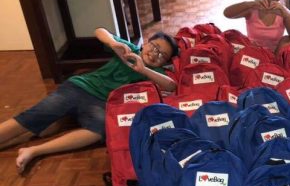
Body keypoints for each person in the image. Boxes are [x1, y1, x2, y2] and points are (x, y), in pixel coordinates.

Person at [0, 27, 178, 173]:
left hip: (101, 104)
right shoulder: (128, 48)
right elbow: (100, 31)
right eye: (154, 47)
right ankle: (56, 122)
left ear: (165, 63)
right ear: (146, 42)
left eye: (161, 55)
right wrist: (113, 42)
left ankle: (33, 151)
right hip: (79, 88)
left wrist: (144, 70)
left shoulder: (154, 73)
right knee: (34, 116)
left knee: (100, 129)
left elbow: (171, 85)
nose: (155, 54)